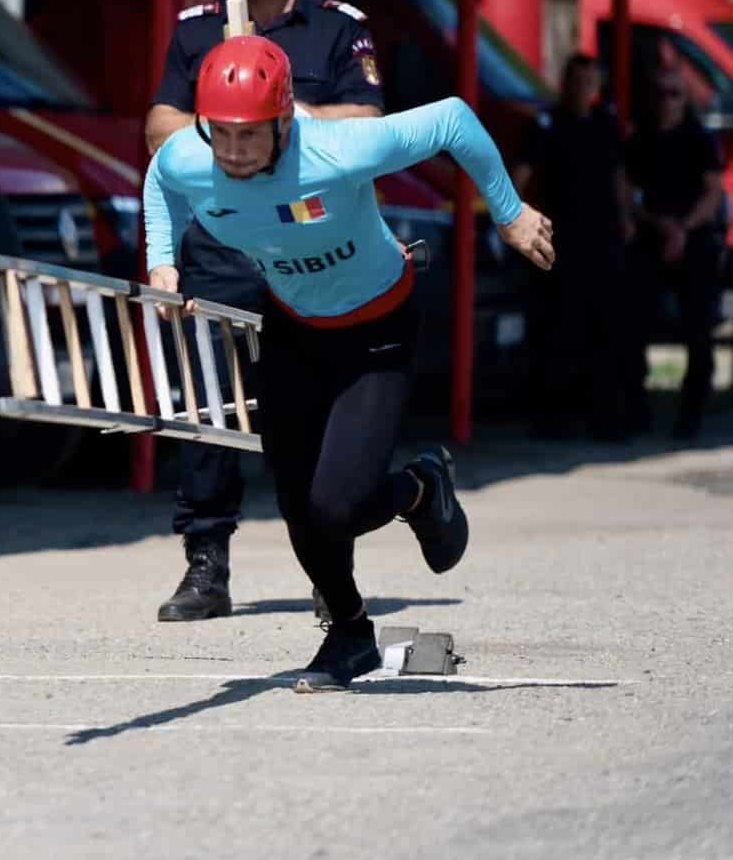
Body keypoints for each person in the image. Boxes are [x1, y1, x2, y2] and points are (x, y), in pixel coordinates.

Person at [144, 34, 554, 691]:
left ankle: (422, 487)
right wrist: (162, 262)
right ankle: (350, 632)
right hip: (293, 329)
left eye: (251, 136)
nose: (235, 152)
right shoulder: (195, 158)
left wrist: (508, 213)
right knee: (297, 504)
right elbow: (159, 175)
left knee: (337, 504)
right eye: (221, 134)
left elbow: (453, 118)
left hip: (376, 329)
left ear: (285, 121)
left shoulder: (336, 150)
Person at [143, 0, 383, 623]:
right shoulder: (197, 33)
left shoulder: (338, 29)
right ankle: (205, 563)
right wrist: (225, 125)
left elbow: (367, 120)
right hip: (221, 249)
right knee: (210, 407)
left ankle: (326, 563)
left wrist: (284, 114)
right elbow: (159, 125)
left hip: (311, 254)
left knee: (308, 411)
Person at [511, 54, 632, 439]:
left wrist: (628, 217)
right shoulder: (547, 126)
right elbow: (520, 175)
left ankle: (606, 420)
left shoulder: (605, 125)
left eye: (590, 81)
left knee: (607, 332)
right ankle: (555, 420)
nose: (583, 88)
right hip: (560, 244)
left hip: (604, 242)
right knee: (561, 332)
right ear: (565, 83)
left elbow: (618, 176)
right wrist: (511, 219)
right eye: (576, 80)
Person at [623, 72, 726, 440]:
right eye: (661, 93)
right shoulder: (641, 137)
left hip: (694, 239)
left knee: (698, 331)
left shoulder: (699, 139)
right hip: (653, 235)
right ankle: (636, 410)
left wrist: (683, 228)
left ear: (685, 99)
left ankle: (691, 414)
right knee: (633, 326)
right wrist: (651, 222)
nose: (667, 101)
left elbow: (713, 193)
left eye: (675, 94)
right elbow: (625, 187)